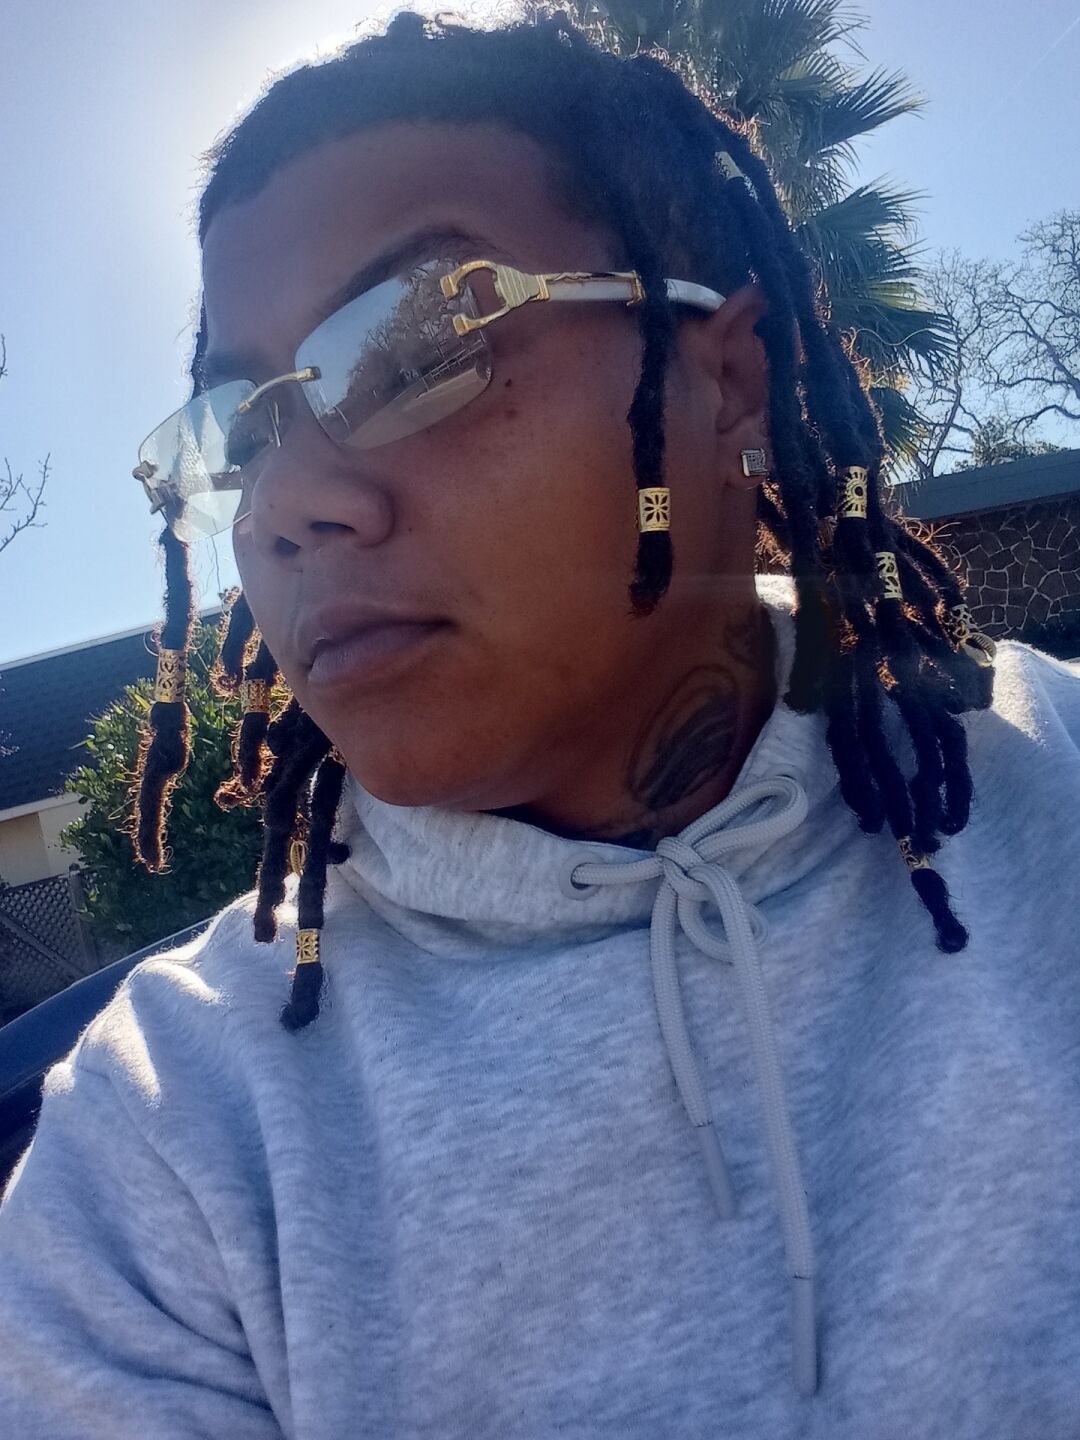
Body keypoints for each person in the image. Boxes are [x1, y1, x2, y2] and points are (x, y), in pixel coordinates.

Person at [1, 10, 1078, 1436]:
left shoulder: (1053, 797)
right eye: (243, 433)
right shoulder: (167, 1142)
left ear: (727, 378)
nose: (290, 504)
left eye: (414, 346)